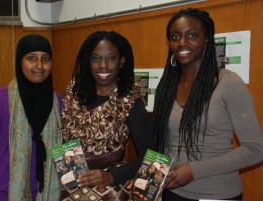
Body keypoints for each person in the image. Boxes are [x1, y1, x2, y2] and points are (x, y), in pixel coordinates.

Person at [150, 8, 263, 201]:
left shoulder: (228, 83)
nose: (182, 43)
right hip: (172, 192)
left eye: (192, 35)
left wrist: (194, 170)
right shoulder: (167, 85)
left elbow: (255, 149)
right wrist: (149, 181)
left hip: (217, 194)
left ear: (207, 40)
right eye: (175, 36)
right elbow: (164, 143)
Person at [0, 34, 62, 201]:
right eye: (31, 58)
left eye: (46, 59)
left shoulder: (60, 103)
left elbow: (68, 155)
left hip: (48, 194)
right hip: (1, 193)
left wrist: (77, 194)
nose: (39, 65)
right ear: (20, 61)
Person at [61, 31, 150, 200]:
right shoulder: (74, 92)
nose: (103, 65)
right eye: (95, 58)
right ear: (88, 61)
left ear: (122, 61)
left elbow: (151, 155)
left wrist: (112, 176)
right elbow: (65, 140)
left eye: (111, 58)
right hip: (71, 180)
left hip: (109, 185)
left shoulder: (129, 100)